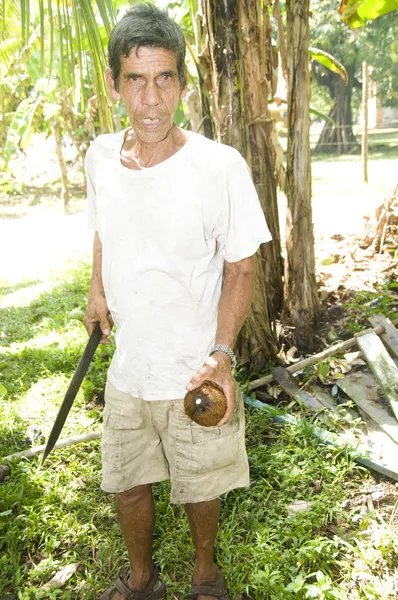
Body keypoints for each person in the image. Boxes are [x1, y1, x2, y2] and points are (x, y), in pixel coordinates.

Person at [83, 4, 271, 600]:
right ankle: (141, 579)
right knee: (128, 481)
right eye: (135, 80)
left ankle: (204, 573)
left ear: (184, 84)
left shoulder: (219, 167)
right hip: (129, 370)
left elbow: (242, 265)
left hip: (196, 368)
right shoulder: (99, 158)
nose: (151, 99)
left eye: (165, 78)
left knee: (201, 484)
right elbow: (104, 229)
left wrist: (221, 353)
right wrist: (96, 290)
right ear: (115, 85)